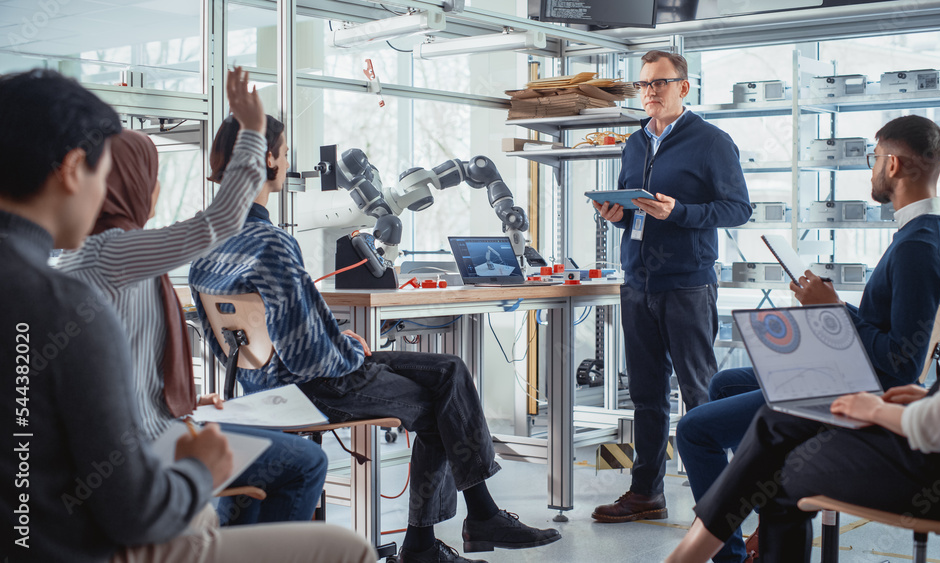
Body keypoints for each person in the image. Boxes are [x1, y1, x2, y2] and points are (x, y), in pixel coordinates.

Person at [0, 69, 374, 563]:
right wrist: (253, 131)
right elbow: (217, 223)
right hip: (89, 532)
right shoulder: (96, 265)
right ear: (73, 169)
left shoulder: (52, 273)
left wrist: (167, 396)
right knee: (341, 540)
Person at [187, 116, 561, 563]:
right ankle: (438, 538)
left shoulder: (204, 245)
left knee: (450, 370)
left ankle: (476, 518)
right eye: (284, 153)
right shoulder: (271, 243)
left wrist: (336, 336)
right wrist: (347, 349)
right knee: (443, 405)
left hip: (268, 383)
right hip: (318, 384)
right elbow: (310, 358)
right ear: (268, 158)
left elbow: (233, 339)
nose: (287, 161)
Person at [664, 140, 940, 563]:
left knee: (702, 429)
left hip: (879, 388)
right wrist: (834, 306)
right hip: (911, 403)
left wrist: (834, 311)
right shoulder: (938, 233)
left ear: (891, 163)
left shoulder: (927, 249)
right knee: (726, 382)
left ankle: (722, 550)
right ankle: (735, 522)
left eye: (872, 157)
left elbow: (901, 364)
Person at [56, 67, 329, 527]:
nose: (158, 187)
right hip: (147, 443)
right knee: (306, 462)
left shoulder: (87, 256)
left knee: (256, 463)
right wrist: (253, 132)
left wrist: (179, 399)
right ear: (132, 184)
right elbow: (218, 221)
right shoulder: (115, 250)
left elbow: (114, 366)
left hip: (147, 425)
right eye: (153, 174)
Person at [591, 49, 752, 523]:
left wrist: (678, 211)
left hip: (686, 284)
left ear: (684, 87)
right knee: (645, 393)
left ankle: (718, 503)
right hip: (637, 280)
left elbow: (737, 209)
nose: (650, 92)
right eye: (644, 85)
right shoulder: (635, 143)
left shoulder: (711, 142)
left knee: (699, 392)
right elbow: (634, 210)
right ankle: (646, 494)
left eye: (660, 83)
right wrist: (615, 215)